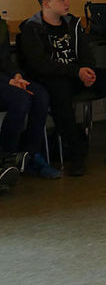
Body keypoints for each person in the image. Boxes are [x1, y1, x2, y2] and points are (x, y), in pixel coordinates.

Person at [18, 0, 106, 176]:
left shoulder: (73, 23)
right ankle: (75, 154)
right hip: (53, 77)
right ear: (46, 3)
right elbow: (40, 64)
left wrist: (87, 70)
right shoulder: (32, 29)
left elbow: (86, 53)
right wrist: (75, 72)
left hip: (78, 73)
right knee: (61, 93)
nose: (68, 2)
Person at [1, 17, 59, 179]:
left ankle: (31, 154)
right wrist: (9, 81)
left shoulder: (1, 26)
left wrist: (16, 75)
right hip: (4, 82)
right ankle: (8, 156)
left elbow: (5, 60)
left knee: (39, 94)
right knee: (20, 99)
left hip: (8, 80)